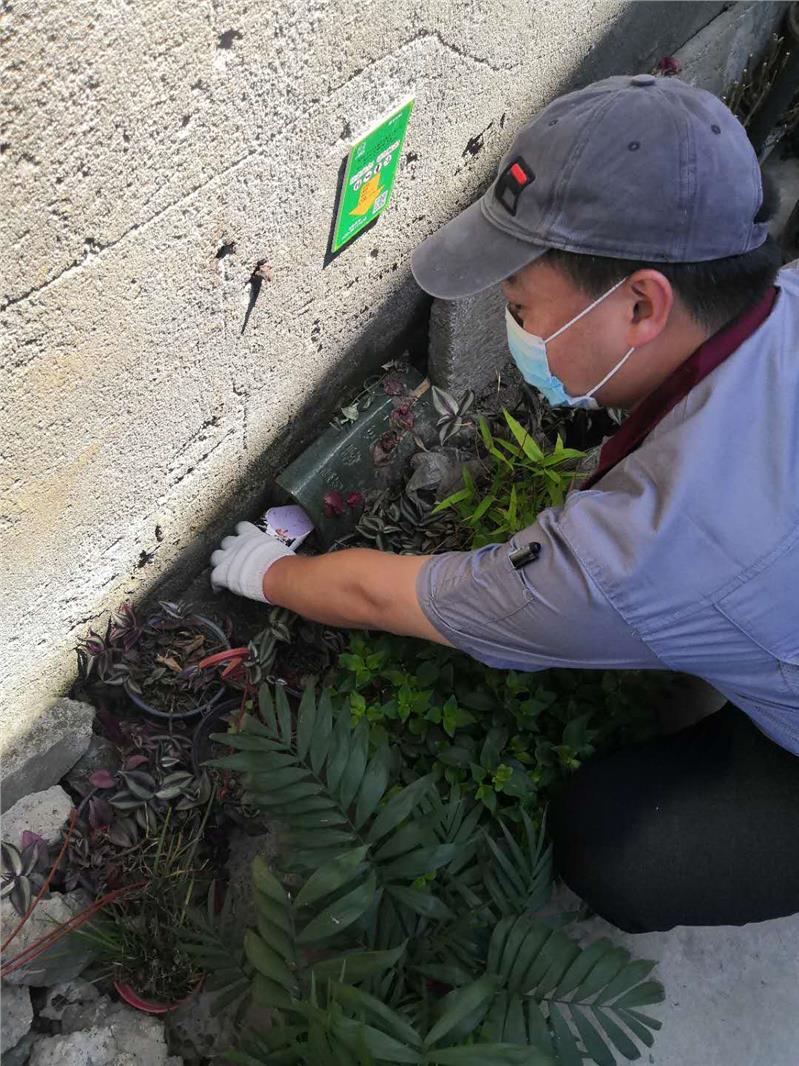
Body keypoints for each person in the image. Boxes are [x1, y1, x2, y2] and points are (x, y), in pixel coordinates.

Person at [210, 74, 799, 933]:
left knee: (620, 849)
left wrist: (271, 575)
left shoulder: (639, 553)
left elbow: (392, 596)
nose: (512, 326)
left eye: (519, 306)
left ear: (641, 302)